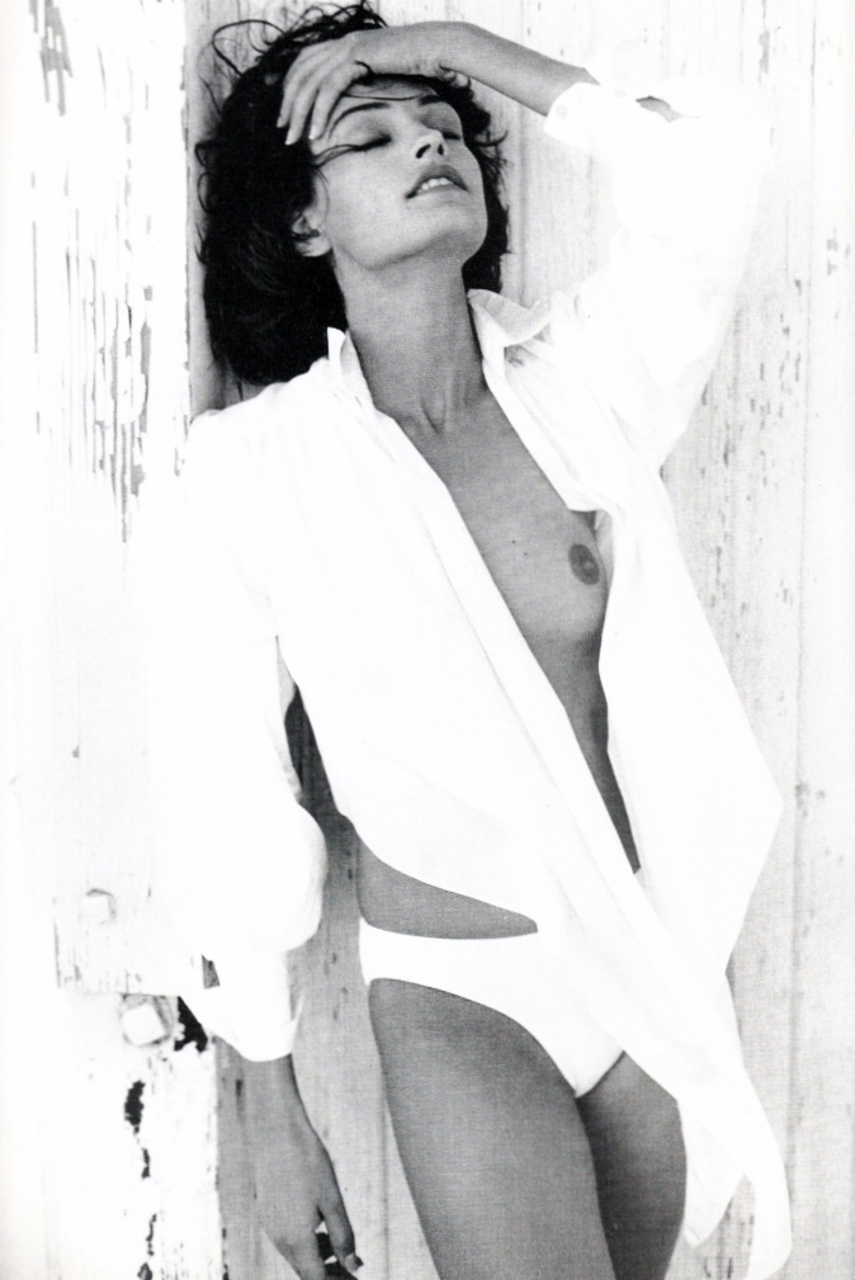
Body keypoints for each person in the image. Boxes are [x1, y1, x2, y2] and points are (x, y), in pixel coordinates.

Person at [143, 4, 792, 1278]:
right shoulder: (251, 471)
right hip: (463, 994)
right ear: (305, 222)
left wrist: (454, 47)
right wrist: (270, 1093)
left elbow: (706, 174)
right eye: (370, 136)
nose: (427, 142)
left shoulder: (581, 386)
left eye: (441, 122)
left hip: (646, 974)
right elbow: (224, 788)